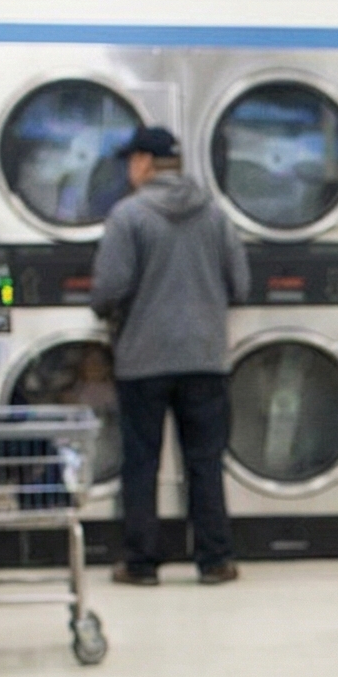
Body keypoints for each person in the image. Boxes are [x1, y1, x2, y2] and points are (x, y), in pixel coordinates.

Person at [87, 125, 248, 587]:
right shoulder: (215, 215)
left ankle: (140, 563)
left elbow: (110, 286)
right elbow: (240, 285)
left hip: (143, 359)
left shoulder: (128, 216)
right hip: (205, 358)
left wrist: (103, 308)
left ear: (142, 163)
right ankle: (215, 559)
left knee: (141, 462)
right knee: (204, 460)